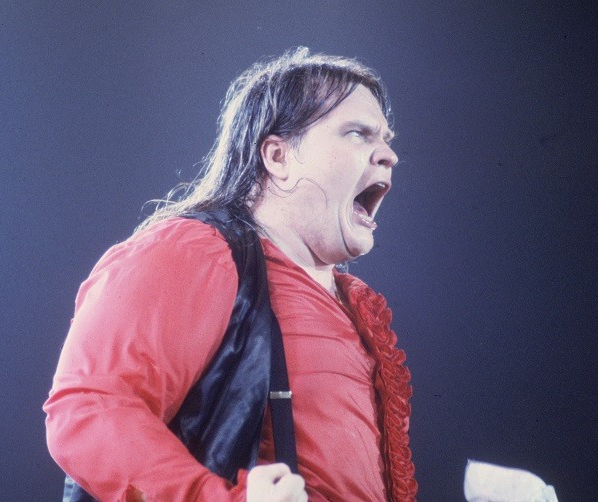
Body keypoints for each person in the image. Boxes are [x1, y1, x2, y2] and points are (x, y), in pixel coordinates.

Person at [44, 47, 417, 501]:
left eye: (386, 138)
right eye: (358, 133)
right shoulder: (195, 252)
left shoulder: (352, 304)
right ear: (278, 157)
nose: (389, 155)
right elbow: (90, 410)